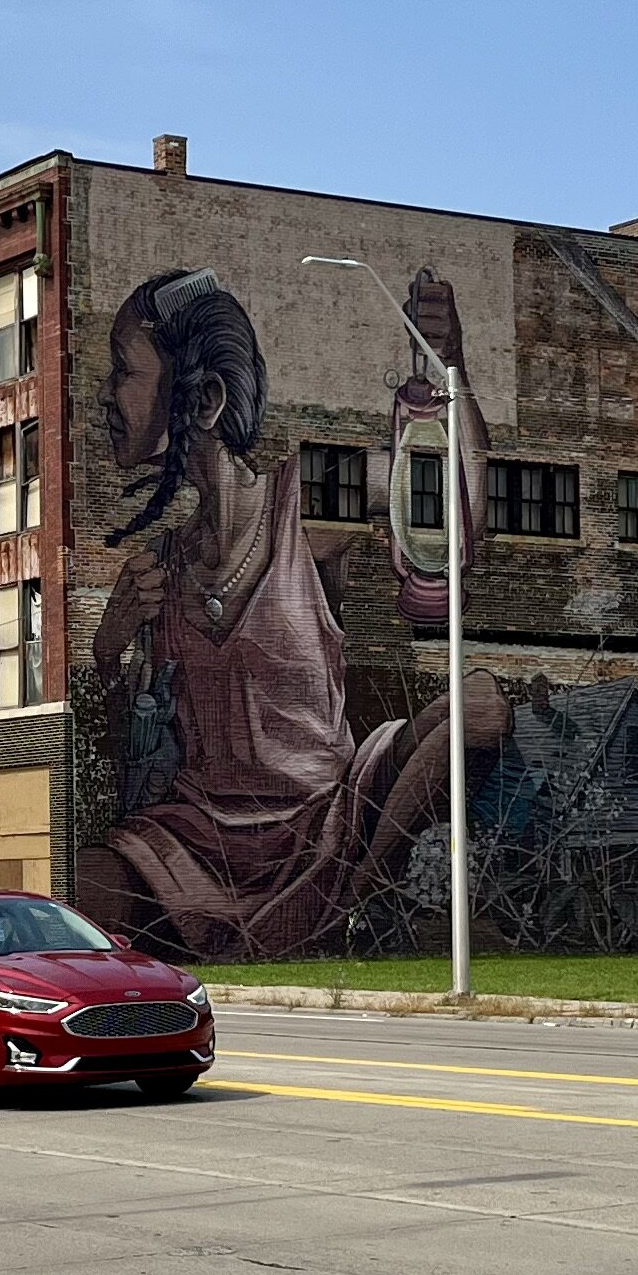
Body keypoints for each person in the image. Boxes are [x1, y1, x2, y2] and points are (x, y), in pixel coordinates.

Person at [75, 269, 487, 958]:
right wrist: (108, 650)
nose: (105, 396)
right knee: (88, 881)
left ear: (204, 399)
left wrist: (454, 369)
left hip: (325, 823)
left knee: (480, 704)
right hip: (193, 843)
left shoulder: (309, 504)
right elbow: (126, 754)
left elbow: (449, 495)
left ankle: (350, 902)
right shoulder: (158, 568)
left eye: (123, 372)